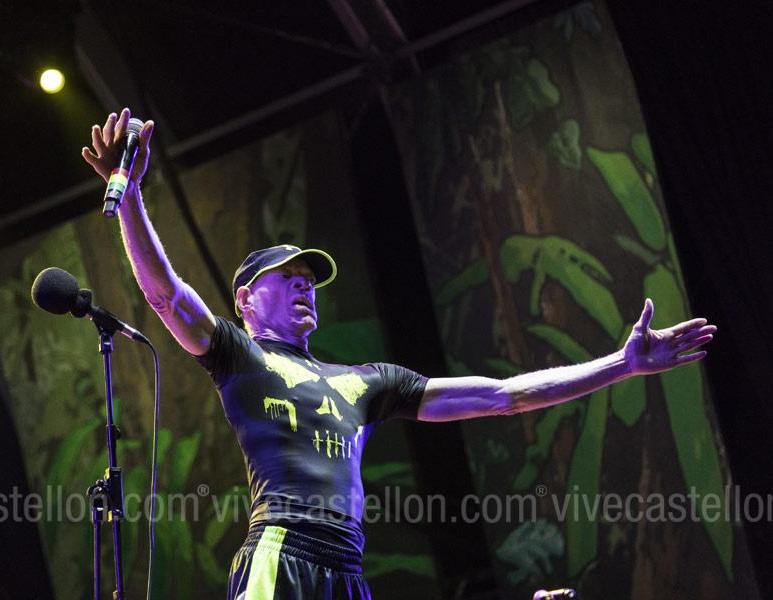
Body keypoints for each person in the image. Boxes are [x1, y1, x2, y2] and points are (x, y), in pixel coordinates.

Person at [82, 108, 716, 600]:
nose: (305, 285)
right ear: (246, 300)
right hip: (282, 552)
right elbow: (167, 296)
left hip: (347, 567)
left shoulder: (367, 382)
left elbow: (506, 396)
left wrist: (623, 364)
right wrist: (128, 192)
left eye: (310, 279)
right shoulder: (241, 357)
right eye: (289, 276)